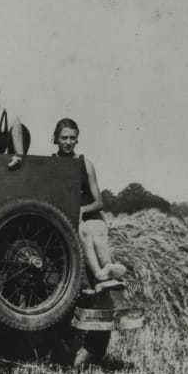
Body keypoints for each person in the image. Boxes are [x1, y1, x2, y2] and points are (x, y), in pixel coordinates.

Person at [52, 118, 126, 293]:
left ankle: (108, 268)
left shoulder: (86, 164)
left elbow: (99, 202)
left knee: (98, 229)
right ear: (56, 139)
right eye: (64, 138)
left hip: (87, 211)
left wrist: (82, 210)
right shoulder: (51, 164)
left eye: (72, 138)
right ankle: (99, 275)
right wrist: (73, 212)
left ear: (77, 139)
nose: (68, 142)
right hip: (67, 214)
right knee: (85, 232)